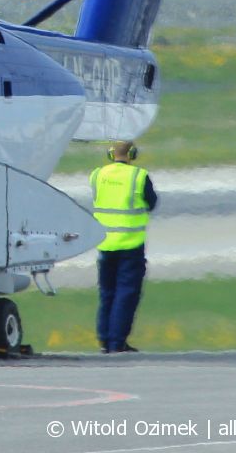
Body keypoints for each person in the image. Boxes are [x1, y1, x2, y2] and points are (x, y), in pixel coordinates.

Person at [90, 140, 158, 354]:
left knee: (107, 293)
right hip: (130, 245)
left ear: (111, 154)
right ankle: (117, 342)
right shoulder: (138, 176)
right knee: (126, 294)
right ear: (132, 153)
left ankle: (105, 340)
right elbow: (152, 202)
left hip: (105, 243)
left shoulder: (97, 175)